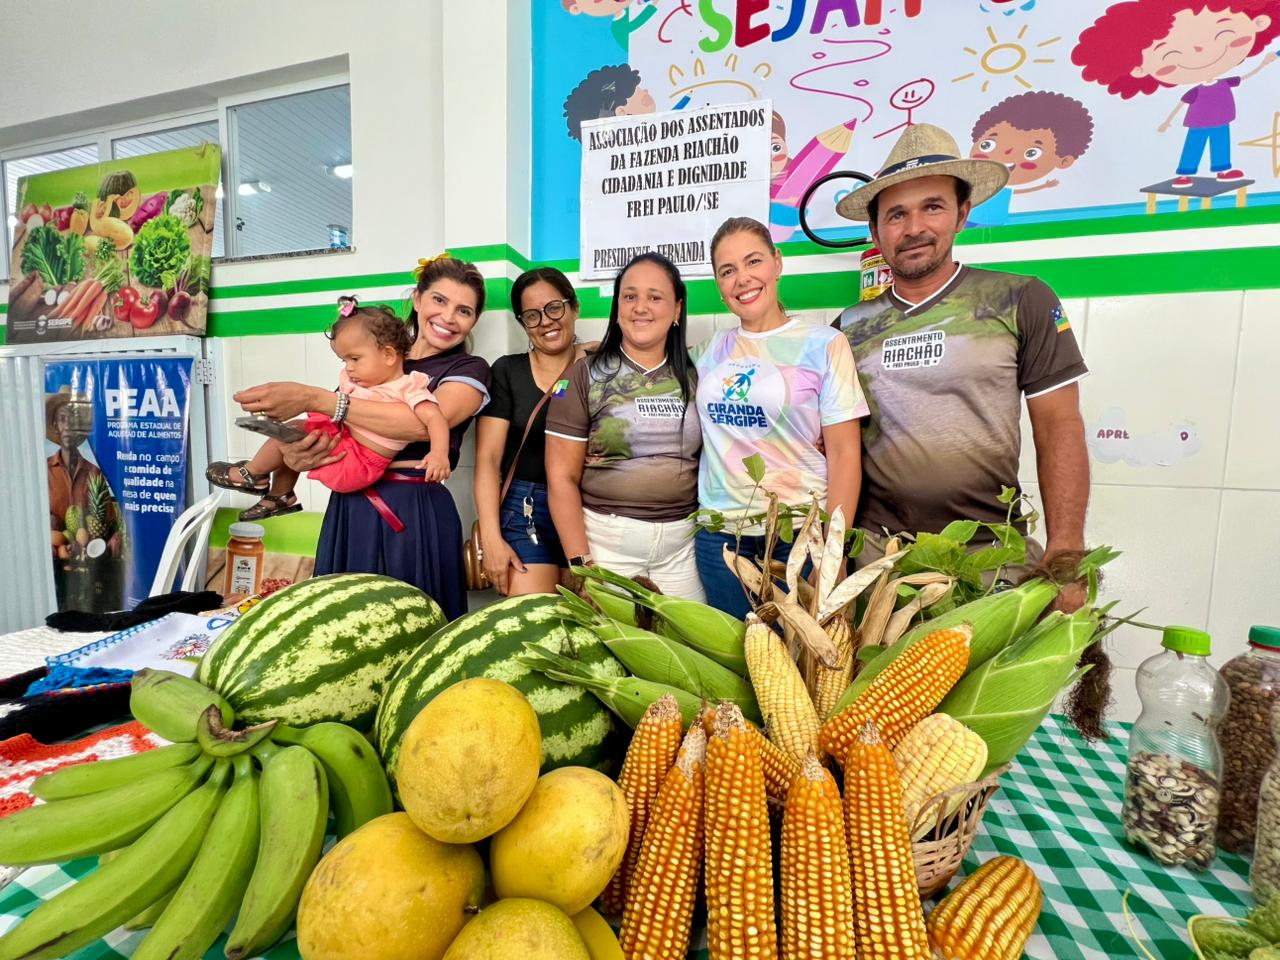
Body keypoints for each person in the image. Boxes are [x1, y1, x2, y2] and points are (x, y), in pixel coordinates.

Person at [832, 123, 1091, 610]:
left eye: (932, 206)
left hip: (988, 564)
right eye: (896, 215)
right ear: (875, 231)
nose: (913, 229)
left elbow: (1059, 425)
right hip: (877, 563)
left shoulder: (1020, 300)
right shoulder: (847, 328)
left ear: (962, 212)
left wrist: (1066, 552)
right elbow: (831, 446)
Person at [232, 254, 491, 619]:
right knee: (346, 623)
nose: (448, 317)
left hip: (412, 510)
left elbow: (422, 423)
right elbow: (332, 424)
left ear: (474, 320)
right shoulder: (367, 361)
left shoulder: (468, 369)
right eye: (439, 300)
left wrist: (315, 398)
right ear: (417, 300)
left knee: (412, 622)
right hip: (351, 505)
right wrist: (297, 456)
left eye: (464, 311)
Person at [693, 217, 868, 619]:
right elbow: (650, 365)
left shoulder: (825, 344)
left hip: (800, 535)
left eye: (753, 262)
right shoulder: (705, 352)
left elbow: (844, 455)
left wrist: (834, 550)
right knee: (739, 663)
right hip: (722, 536)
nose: (742, 279)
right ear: (719, 286)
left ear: (777, 262)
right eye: (727, 271)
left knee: (803, 666)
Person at [545, 252, 703, 600]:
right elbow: (560, 478)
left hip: (683, 551)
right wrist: (581, 565)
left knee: (686, 652)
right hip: (607, 549)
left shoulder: (699, 374)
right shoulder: (583, 376)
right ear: (618, 308)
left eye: (655, 297)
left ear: (677, 309)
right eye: (630, 296)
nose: (640, 307)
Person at [207, 298, 451, 521]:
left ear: (388, 355)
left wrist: (439, 454)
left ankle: (254, 474)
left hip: (360, 464)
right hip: (346, 442)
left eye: (355, 359)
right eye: (344, 360)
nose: (348, 368)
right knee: (297, 430)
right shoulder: (358, 381)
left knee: (296, 435)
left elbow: (434, 418)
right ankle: (278, 492)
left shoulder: (408, 386)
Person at [474, 268, 592, 596]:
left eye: (554, 308)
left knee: (589, 621)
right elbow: (487, 459)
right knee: (532, 621)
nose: (546, 321)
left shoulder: (600, 367)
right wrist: (492, 538)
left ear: (574, 307)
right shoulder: (507, 371)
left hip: (588, 510)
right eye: (532, 315)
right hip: (525, 510)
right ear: (522, 322)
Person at [966, 91, 1095, 227]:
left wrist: (1045, 186)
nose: (1006, 153)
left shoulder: (1002, 190)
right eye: (987, 145)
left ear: (1064, 161)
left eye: (1031, 153)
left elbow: (1019, 192)